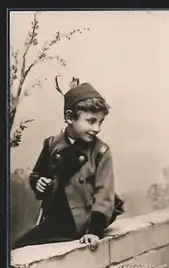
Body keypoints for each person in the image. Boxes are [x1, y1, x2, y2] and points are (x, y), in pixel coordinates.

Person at [13, 80, 124, 251]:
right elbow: (37, 174)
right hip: (54, 218)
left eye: (100, 122)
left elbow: (105, 196)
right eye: (91, 121)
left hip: (82, 223)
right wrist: (39, 182)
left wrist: (94, 231)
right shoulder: (51, 144)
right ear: (70, 118)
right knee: (18, 249)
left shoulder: (100, 151)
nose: (97, 128)